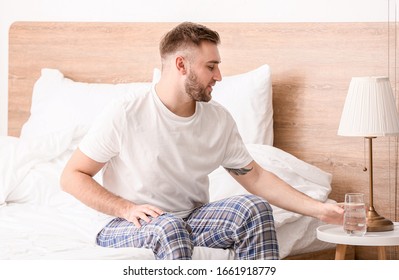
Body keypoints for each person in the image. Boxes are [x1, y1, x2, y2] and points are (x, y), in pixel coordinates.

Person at [60, 22, 343, 260]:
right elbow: (72, 176)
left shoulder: (217, 119)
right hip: (125, 223)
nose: (219, 76)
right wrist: (125, 208)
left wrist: (320, 210)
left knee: (253, 209)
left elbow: (255, 177)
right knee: (167, 226)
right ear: (181, 64)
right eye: (211, 67)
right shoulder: (125, 113)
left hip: (189, 218)